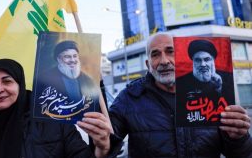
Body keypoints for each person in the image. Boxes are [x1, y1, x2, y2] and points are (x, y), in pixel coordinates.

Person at [109, 32, 252, 157]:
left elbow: (241, 153)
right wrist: (101, 139)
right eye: (156, 54)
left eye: (170, 51)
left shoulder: (214, 93)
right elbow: (105, 144)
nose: (164, 61)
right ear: (148, 65)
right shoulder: (129, 97)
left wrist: (238, 138)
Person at [36, 40, 99, 120]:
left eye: (75, 56)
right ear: (58, 59)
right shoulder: (44, 79)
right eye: (67, 57)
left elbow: (95, 106)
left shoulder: (88, 81)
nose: (72, 60)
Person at [176, 39, 235, 125]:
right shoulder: (180, 83)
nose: (203, 64)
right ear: (193, 62)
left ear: (213, 61)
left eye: (207, 59)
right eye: (198, 60)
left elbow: (230, 104)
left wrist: (219, 88)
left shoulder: (227, 78)